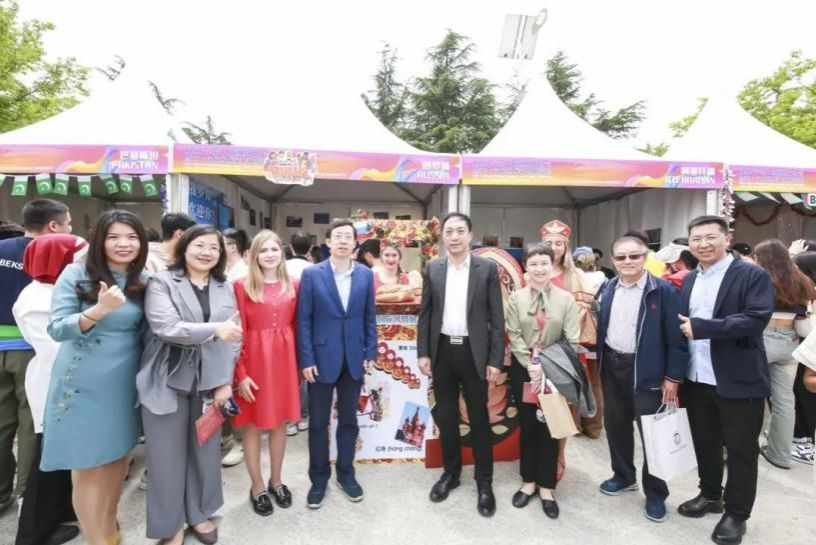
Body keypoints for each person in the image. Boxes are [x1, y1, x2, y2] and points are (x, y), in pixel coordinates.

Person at [41, 209, 147, 545]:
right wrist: (99, 310)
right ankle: (96, 539)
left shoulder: (143, 278)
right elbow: (57, 328)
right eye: (114, 237)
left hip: (124, 382)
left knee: (118, 458)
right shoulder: (76, 273)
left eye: (131, 237)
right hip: (84, 381)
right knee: (89, 467)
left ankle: (109, 528)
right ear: (99, 240)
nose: (123, 244)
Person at [137, 225, 241, 545]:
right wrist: (215, 330)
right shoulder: (162, 281)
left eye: (214, 247)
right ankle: (170, 524)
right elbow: (167, 327)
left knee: (205, 452)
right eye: (200, 245)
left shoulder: (225, 286)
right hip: (166, 379)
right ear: (184, 247)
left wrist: (225, 381)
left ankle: (199, 512)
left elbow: (234, 337)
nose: (207, 252)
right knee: (166, 457)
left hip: (209, 383)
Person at [677, 215, 774, 545]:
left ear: (727, 238)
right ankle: (710, 495)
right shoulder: (691, 278)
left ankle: (736, 514)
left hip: (738, 378)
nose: (703, 244)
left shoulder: (751, 275)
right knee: (704, 442)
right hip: (697, 377)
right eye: (696, 239)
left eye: (710, 237)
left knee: (741, 450)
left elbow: (755, 319)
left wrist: (703, 327)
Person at [418, 212, 505, 517]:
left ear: (470, 235)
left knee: (479, 418)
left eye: (459, 231)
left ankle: (484, 482)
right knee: (447, 417)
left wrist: (495, 359)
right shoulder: (434, 268)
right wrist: (423, 352)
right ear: (443, 236)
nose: (454, 237)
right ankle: (451, 474)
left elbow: (497, 318)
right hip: (442, 351)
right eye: (449, 231)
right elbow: (425, 314)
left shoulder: (486, 269)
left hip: (473, 353)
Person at [596, 235, 688, 523]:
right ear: (613, 260)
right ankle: (623, 476)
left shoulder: (663, 291)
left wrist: (672, 377)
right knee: (616, 426)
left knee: (653, 434)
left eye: (634, 256)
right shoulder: (608, 288)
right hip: (613, 366)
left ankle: (656, 493)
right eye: (621, 257)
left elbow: (676, 339)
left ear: (645, 257)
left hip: (648, 371)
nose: (628, 262)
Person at [297, 219, 376, 509]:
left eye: (348, 237)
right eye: (338, 236)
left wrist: (371, 352)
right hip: (320, 359)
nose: (343, 241)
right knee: (318, 423)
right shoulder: (312, 274)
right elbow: (303, 319)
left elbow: (369, 316)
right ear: (328, 242)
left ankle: (346, 474)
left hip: (354, 357)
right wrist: (306, 358)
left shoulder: (365, 275)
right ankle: (319, 479)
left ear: (355, 243)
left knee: (349, 421)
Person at [12, 234, 87, 545]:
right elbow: (57, 349)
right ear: (59, 261)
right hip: (55, 384)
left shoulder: (56, 290)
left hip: (68, 383)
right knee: (48, 460)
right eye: (79, 259)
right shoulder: (38, 299)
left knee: (61, 458)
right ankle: (33, 532)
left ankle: (58, 515)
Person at [0, 199, 72, 516]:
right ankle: (28, 495)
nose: (69, 230)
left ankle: (2, 494)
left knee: (3, 425)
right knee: (33, 423)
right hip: (32, 349)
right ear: (53, 226)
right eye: (67, 223)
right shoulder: (56, 255)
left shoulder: (2, 248)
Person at [506, 243, 579, 519]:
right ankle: (528, 481)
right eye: (533, 263)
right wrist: (531, 365)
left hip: (555, 370)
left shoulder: (565, 299)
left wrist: (545, 365)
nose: (539, 269)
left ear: (552, 265)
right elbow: (514, 335)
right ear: (526, 267)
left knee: (550, 428)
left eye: (544, 263)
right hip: (523, 370)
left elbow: (571, 339)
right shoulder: (516, 299)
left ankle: (547, 486)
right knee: (527, 426)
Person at [233, 230, 300, 516]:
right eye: (263, 250)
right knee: (252, 425)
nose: (270, 255)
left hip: (284, 362)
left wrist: (299, 366)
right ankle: (257, 485)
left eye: (274, 249)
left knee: (279, 422)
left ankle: (276, 480)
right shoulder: (241, 286)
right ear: (253, 255)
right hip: (254, 361)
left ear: (282, 253)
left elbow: (298, 326)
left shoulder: (294, 284)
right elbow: (238, 332)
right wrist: (241, 373)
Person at [540, 220, 602, 479]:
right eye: (549, 243)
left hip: (562, 348)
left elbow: (579, 311)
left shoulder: (575, 276)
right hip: (536, 348)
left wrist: (554, 334)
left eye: (559, 243)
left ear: (566, 246)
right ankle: (537, 457)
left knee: (561, 404)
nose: (554, 248)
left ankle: (559, 455)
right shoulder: (532, 270)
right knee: (538, 404)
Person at [753, 239, 814, 469]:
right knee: (785, 400)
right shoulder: (801, 280)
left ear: (763, 258)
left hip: (763, 338)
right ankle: (780, 455)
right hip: (790, 342)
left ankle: (739, 449)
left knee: (748, 397)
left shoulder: (760, 279)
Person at [220, 228, 250, 467]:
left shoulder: (244, 275)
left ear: (231, 247)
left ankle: (240, 441)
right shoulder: (225, 272)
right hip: (222, 339)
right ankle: (228, 436)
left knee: (238, 393)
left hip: (238, 341)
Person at [285, 230, 312, 436]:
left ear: (290, 247)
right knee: (305, 369)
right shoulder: (315, 269)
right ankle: (303, 415)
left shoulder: (282, 268)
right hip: (308, 325)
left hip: (285, 325)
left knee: (288, 371)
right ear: (310, 248)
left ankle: (289, 418)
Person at [792, 251, 816, 464]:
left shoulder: (811, 293)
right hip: (805, 348)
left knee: (806, 392)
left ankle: (805, 442)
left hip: (810, 350)